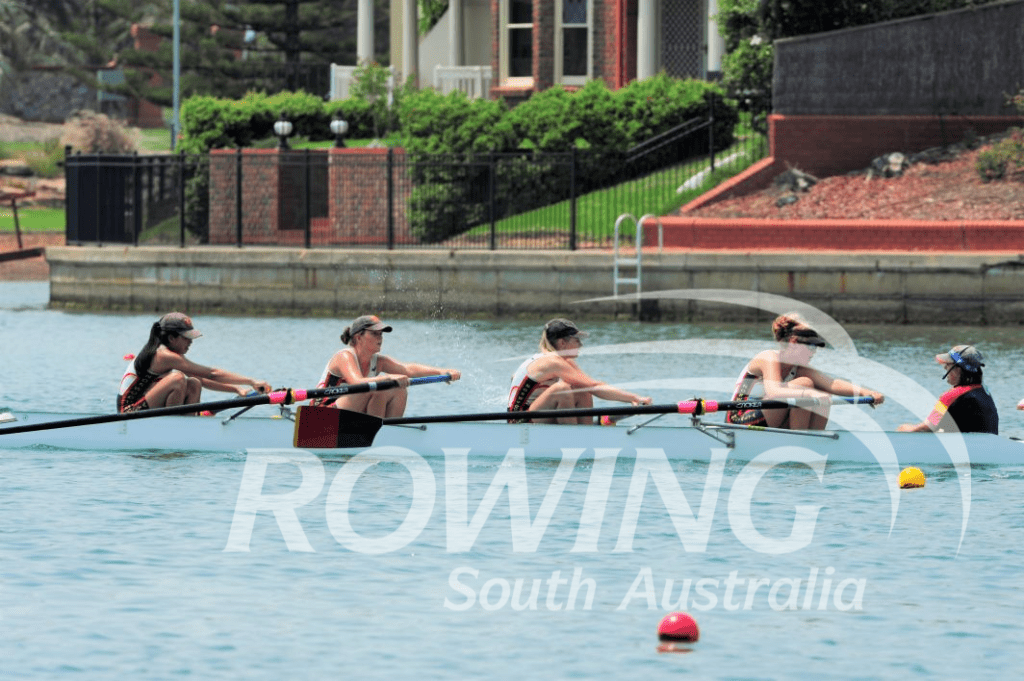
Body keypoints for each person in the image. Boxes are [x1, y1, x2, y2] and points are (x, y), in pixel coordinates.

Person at [726, 313, 885, 430]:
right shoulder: (768, 357)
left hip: (768, 419)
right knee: (805, 385)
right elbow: (774, 391)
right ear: (794, 342)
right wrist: (809, 393)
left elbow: (833, 384)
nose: (814, 352)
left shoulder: (800, 368)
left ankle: (814, 440)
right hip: (738, 419)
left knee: (821, 391)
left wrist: (866, 392)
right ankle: (800, 442)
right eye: (810, 346)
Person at [117, 312, 271, 413]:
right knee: (177, 379)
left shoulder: (172, 356)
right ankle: (175, 427)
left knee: (194, 383)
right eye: (186, 337)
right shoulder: (164, 355)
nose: (190, 342)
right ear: (171, 338)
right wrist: (252, 381)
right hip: (129, 412)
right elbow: (212, 373)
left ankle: (189, 425)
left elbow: (203, 380)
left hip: (145, 407)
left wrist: (236, 389)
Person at [507, 318, 652, 424]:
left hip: (537, 417)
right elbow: (595, 387)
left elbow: (591, 385)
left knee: (582, 388)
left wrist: (632, 398)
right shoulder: (551, 361)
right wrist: (634, 398)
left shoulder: (563, 361)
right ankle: (575, 439)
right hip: (519, 422)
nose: (581, 344)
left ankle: (586, 433)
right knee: (562, 389)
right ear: (562, 343)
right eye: (576, 340)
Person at [313, 314, 461, 417]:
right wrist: (387, 378)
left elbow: (408, 369)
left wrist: (441, 371)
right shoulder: (344, 356)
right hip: (321, 414)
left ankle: (387, 433)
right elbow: (357, 383)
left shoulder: (378, 361)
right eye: (375, 334)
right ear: (359, 337)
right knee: (373, 387)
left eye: (381, 334)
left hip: (346, 413)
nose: (380, 338)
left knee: (398, 389)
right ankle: (375, 433)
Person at [898, 344, 998, 434]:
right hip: (987, 446)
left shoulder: (951, 395)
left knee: (903, 429)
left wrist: (904, 429)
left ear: (958, 369)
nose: (945, 368)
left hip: (966, 447)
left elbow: (927, 427)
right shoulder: (985, 393)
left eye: (948, 364)